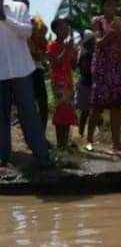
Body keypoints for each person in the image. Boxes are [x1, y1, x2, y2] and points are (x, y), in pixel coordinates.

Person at [0, 0, 50, 172]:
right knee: (1, 116)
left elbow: (27, 32)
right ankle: (3, 159)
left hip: (22, 70)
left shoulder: (18, 8)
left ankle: (41, 155)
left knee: (29, 113)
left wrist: (5, 19)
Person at [87, 0, 121, 154]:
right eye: (109, 4)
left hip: (115, 68)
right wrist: (111, 32)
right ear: (103, 6)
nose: (112, 8)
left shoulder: (120, 24)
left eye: (115, 5)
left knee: (116, 106)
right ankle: (89, 140)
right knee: (97, 105)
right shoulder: (97, 21)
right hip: (101, 68)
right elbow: (98, 43)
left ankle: (116, 142)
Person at [13, 0, 49, 130]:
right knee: (22, 105)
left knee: (42, 104)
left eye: (24, 5)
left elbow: (41, 47)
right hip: (16, 71)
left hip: (35, 68)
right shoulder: (6, 24)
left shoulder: (34, 22)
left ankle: (41, 136)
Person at [47, 18, 78, 149]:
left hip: (68, 81)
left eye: (66, 28)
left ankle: (64, 143)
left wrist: (73, 54)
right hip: (59, 82)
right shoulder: (51, 46)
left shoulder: (67, 46)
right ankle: (60, 144)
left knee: (68, 112)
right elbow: (55, 64)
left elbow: (73, 66)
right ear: (55, 30)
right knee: (61, 111)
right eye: (62, 28)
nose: (65, 30)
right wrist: (67, 50)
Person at [75, 30, 94, 139]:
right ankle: (81, 134)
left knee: (88, 112)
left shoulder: (87, 53)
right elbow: (86, 70)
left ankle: (83, 134)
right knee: (86, 112)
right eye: (91, 40)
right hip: (86, 84)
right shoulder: (85, 55)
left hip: (88, 84)